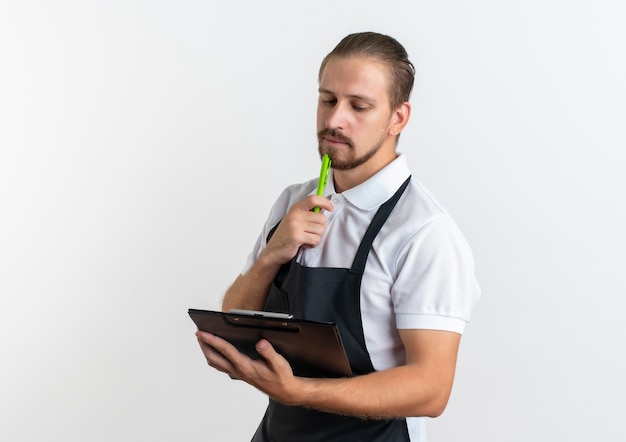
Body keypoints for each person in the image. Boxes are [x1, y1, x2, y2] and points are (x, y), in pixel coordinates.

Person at [196, 31, 481, 441]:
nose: (333, 120)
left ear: (398, 118)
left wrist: (299, 391)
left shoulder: (423, 232)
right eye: (327, 100)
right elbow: (232, 326)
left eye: (358, 106)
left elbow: (431, 388)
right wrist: (271, 256)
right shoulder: (292, 202)